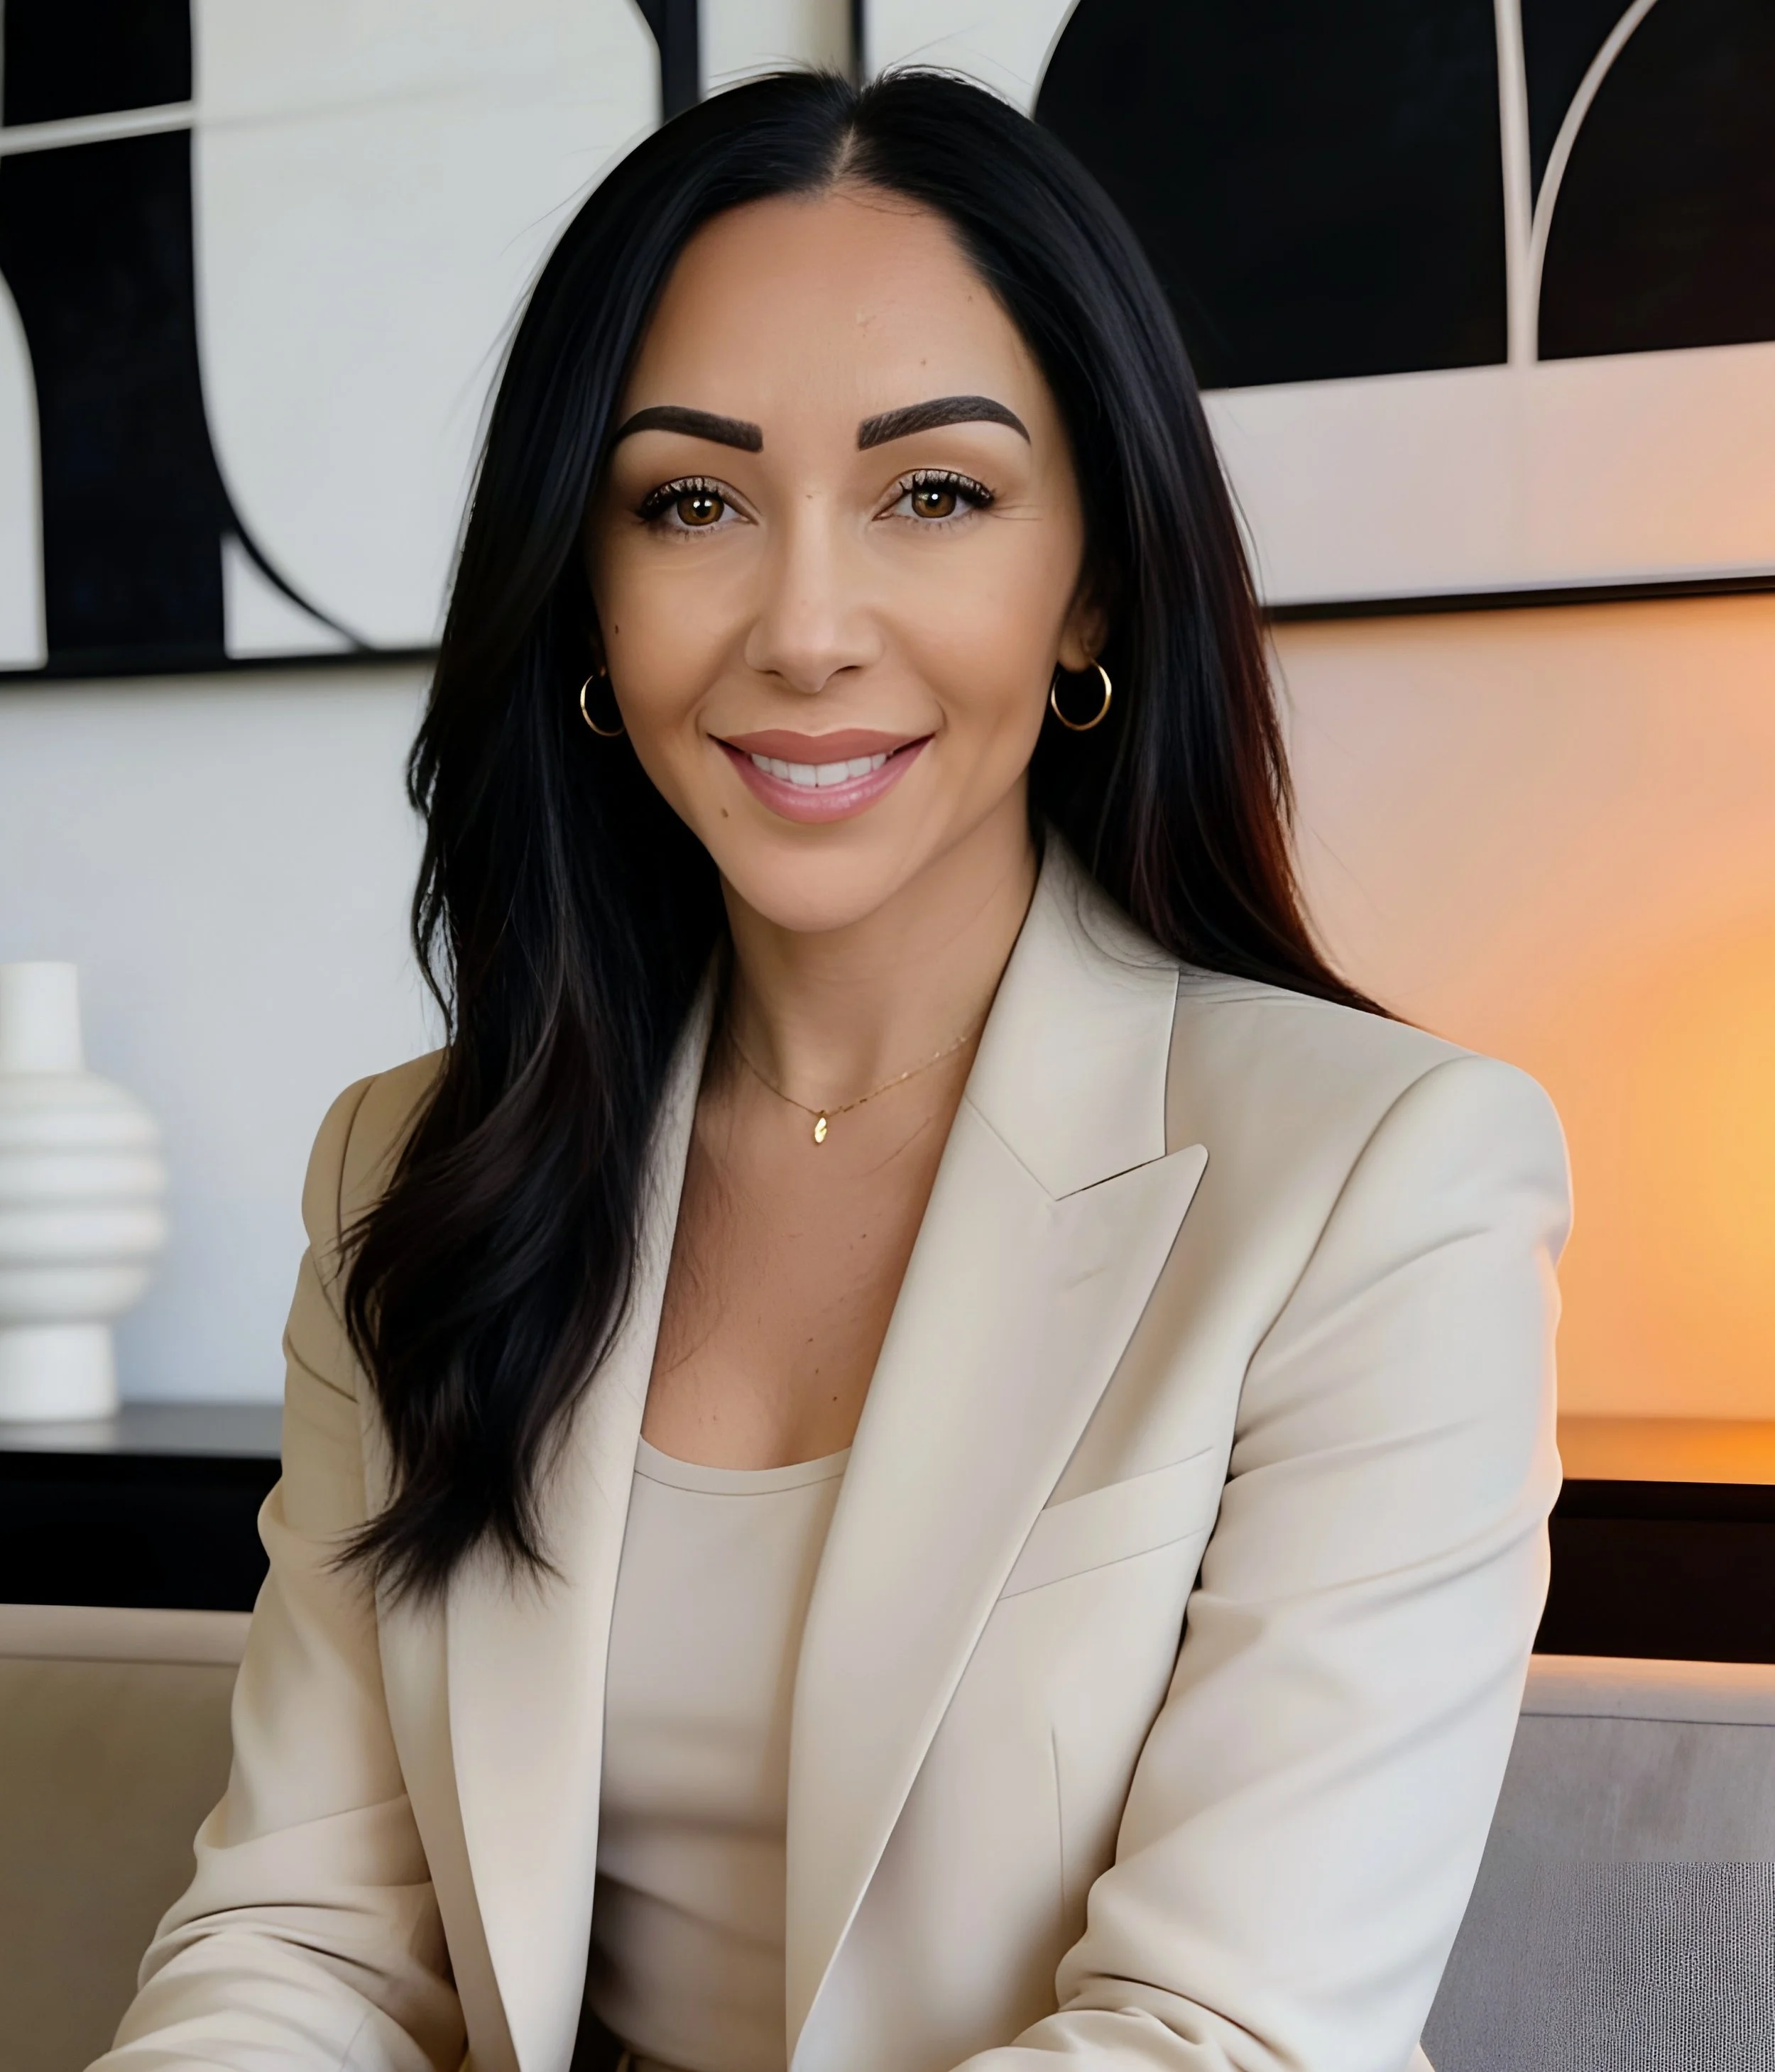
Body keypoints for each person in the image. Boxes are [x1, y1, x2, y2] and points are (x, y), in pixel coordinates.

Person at [94, 68, 1568, 2072]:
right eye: (689, 500)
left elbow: (1220, 2031)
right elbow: (306, 1941)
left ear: (1094, 587)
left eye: (933, 494)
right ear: (589, 604)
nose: (802, 626)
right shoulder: (411, 1170)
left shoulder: (1386, 1181)